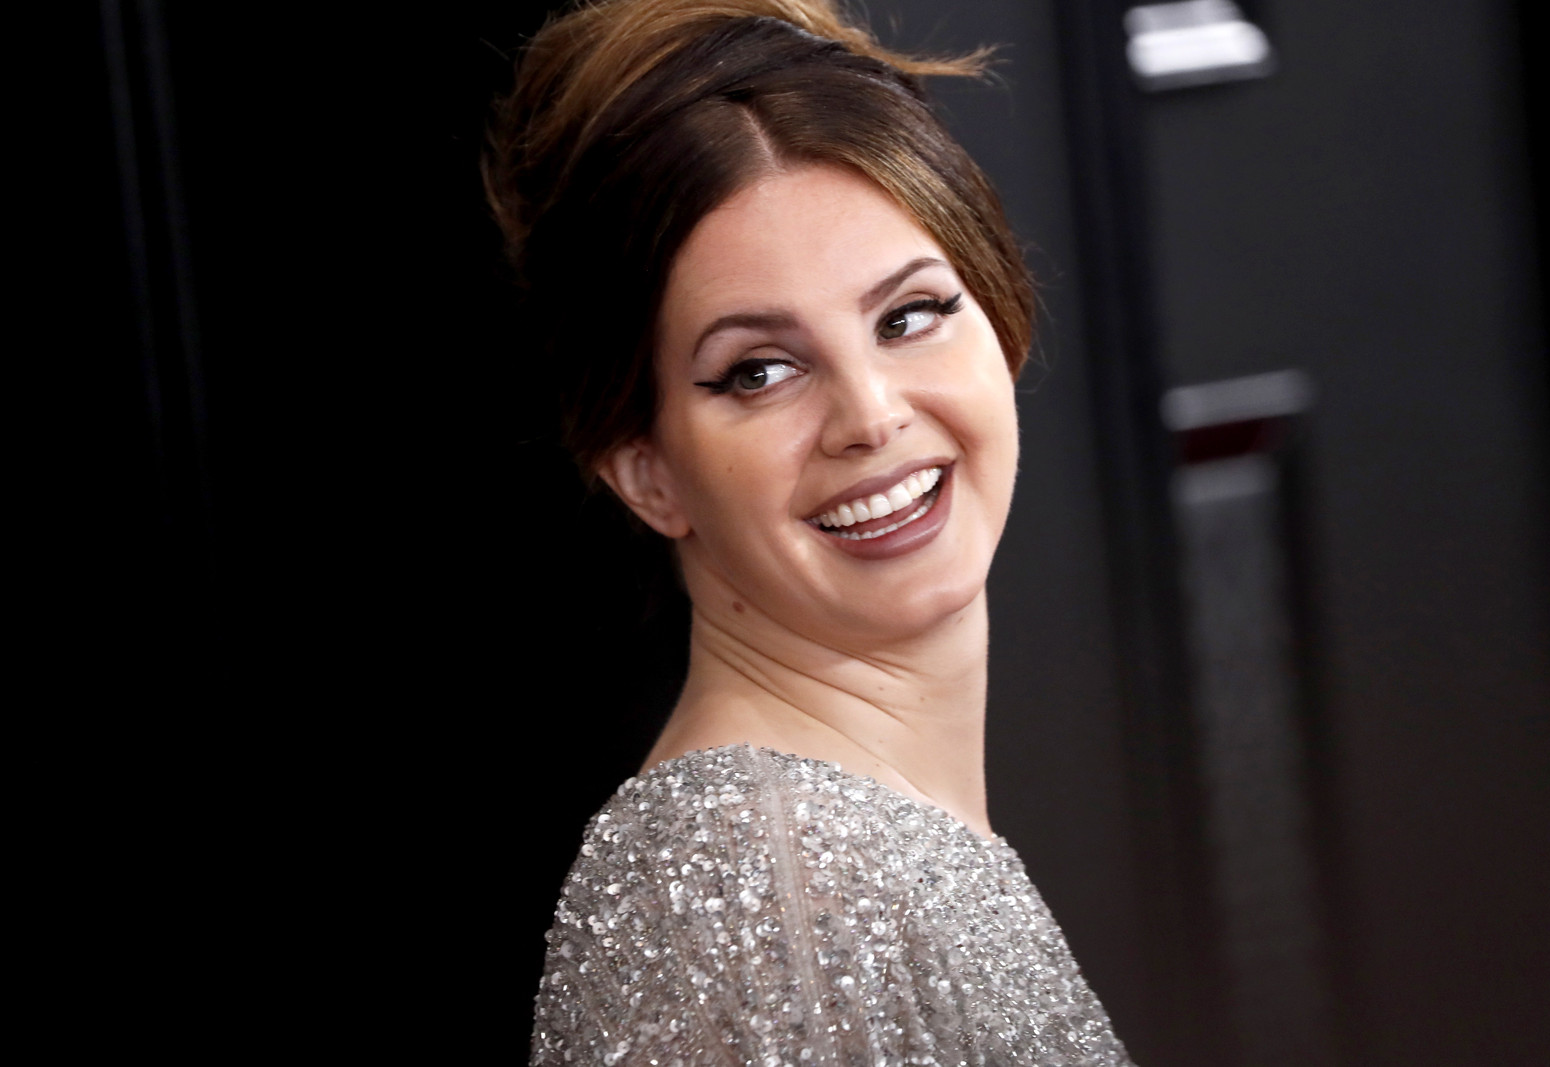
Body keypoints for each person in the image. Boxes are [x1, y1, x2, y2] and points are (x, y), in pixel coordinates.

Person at [485, 1, 1135, 1062]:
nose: (870, 415)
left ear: (1002, 313)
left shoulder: (827, 852)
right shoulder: (772, 889)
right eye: (759, 370)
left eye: (909, 315)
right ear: (648, 470)